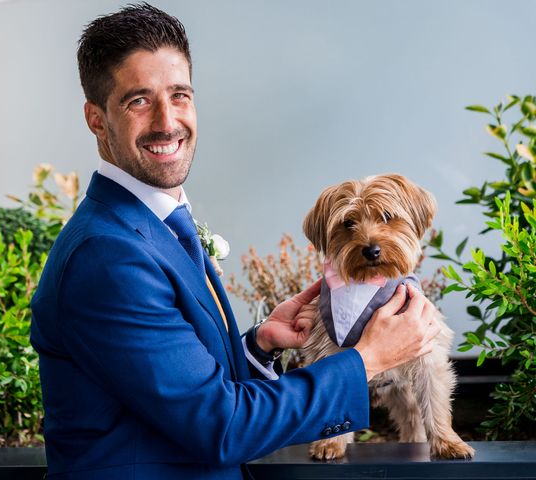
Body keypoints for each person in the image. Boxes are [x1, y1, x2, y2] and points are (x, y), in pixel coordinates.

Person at [30, 4, 440, 479]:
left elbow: (190, 387)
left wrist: (259, 347)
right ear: (97, 119)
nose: (167, 121)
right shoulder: (106, 256)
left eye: (179, 94)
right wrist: (367, 359)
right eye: (138, 100)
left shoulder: (151, 224)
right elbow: (221, 426)